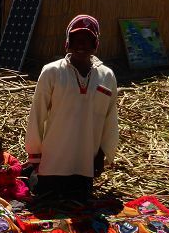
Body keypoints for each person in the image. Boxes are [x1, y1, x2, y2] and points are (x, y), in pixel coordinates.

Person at [24, 14, 118, 201]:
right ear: (67, 43)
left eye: (88, 39)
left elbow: (110, 118)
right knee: (48, 198)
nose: (82, 45)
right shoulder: (52, 72)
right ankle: (29, 174)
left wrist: (102, 154)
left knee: (79, 199)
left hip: (85, 161)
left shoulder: (106, 76)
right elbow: (37, 113)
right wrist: (35, 154)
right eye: (76, 39)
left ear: (95, 44)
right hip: (54, 160)